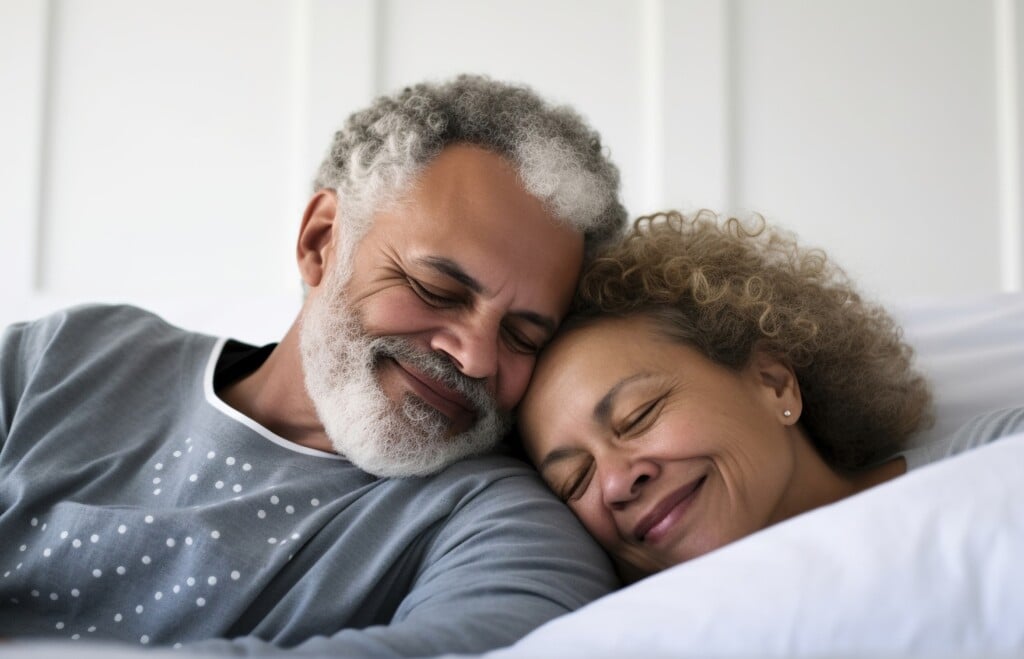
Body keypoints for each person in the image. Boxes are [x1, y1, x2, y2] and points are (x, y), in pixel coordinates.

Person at [0, 75, 627, 655]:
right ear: (321, 242)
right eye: (437, 291)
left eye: (521, 336)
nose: (476, 357)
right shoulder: (67, 356)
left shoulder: (499, 520)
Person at [519, 209, 1024, 582]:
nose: (614, 484)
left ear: (773, 382)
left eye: (638, 415)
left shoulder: (994, 459)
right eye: (575, 480)